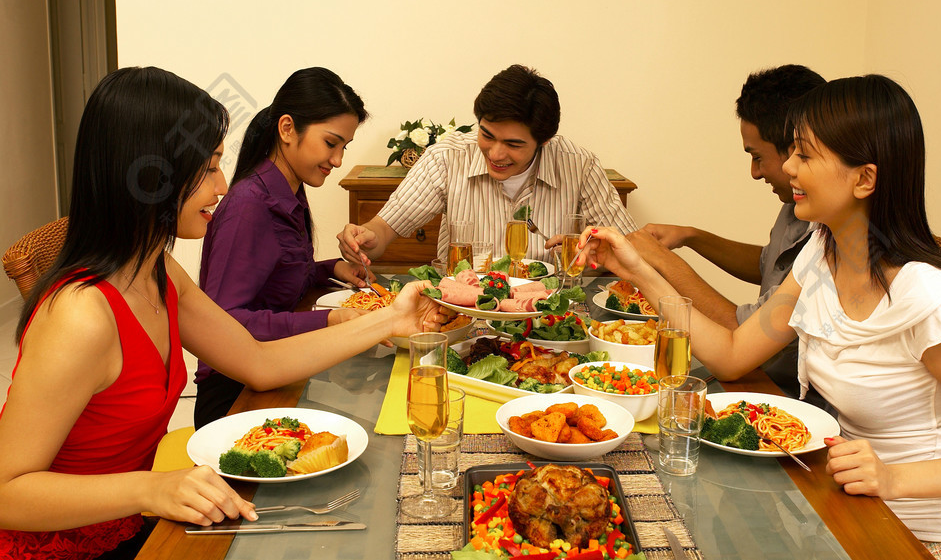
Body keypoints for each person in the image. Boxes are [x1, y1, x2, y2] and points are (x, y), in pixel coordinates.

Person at [0, 67, 443, 560]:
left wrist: (393, 320)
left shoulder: (159, 271)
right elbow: (6, 492)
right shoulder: (81, 314)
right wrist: (150, 489)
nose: (220, 185)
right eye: (209, 166)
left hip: (125, 528)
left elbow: (257, 361)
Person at [577, 75, 941, 557]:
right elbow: (731, 355)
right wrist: (637, 270)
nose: (787, 166)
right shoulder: (821, 253)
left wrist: (893, 477)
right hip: (850, 517)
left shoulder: (930, 299)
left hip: (939, 542)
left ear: (864, 178)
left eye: (805, 155)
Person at [629, 65, 825, 403]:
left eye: (758, 157)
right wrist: (692, 237)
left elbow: (741, 338)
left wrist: (656, 262)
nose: (754, 173)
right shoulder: (802, 214)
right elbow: (769, 263)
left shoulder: (831, 237)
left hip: (776, 390)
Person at [196, 67, 372, 428]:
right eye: (331, 143)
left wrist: (330, 268)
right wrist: (330, 320)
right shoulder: (249, 205)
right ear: (287, 128)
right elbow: (225, 320)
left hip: (272, 366)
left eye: (344, 147)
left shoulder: (288, 188)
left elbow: (277, 278)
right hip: (234, 391)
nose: (338, 160)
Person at [337, 64, 637, 268]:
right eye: (487, 135)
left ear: (544, 140)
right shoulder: (448, 157)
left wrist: (597, 248)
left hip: (548, 318)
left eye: (513, 144)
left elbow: (632, 249)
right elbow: (382, 231)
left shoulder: (578, 166)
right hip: (460, 314)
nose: (495, 153)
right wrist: (365, 239)